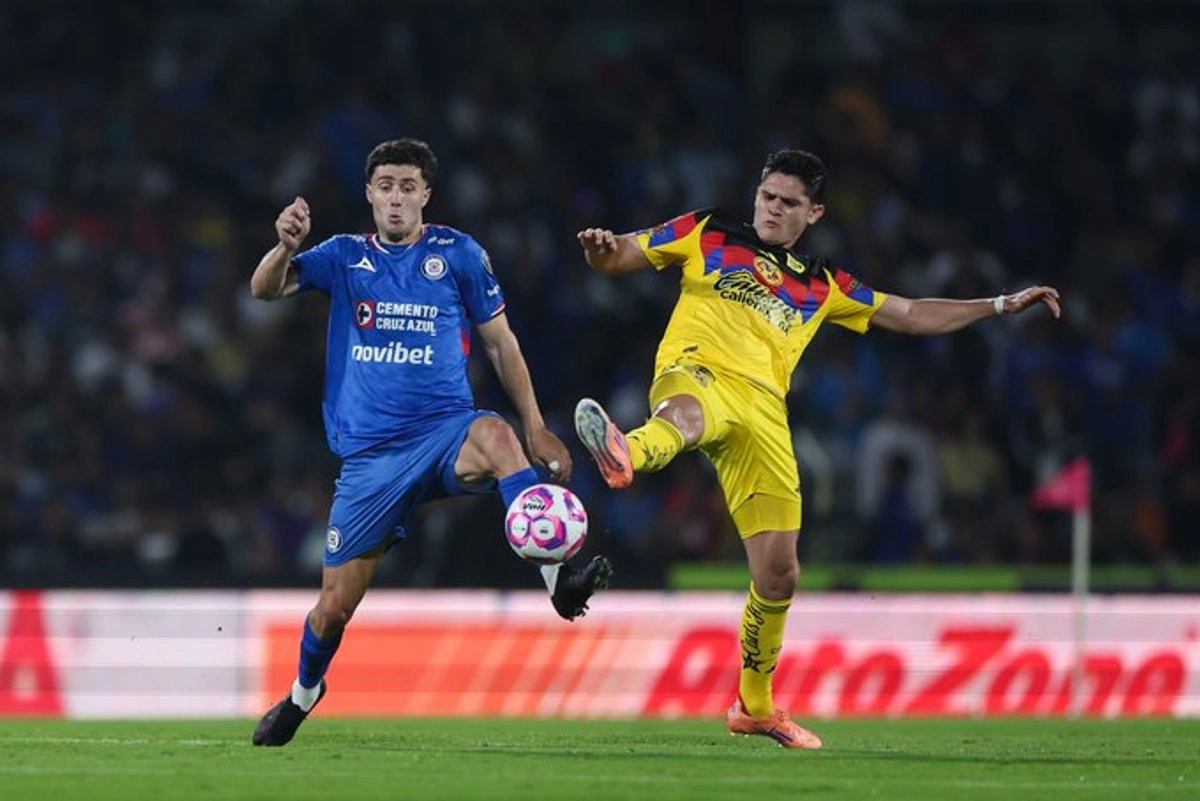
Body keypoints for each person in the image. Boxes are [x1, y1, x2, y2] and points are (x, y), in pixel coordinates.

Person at [573, 148, 1061, 749]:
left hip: (766, 416)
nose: (774, 209)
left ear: (815, 212)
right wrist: (602, 250)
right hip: (696, 371)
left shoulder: (822, 284)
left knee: (779, 576)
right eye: (768, 196)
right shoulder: (707, 231)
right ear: (756, 193)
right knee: (686, 414)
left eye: (789, 203)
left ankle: (754, 707)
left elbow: (908, 313)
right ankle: (628, 452)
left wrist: (1000, 305)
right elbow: (622, 252)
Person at [249, 138, 612, 746]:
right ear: (369, 193)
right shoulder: (342, 256)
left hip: (446, 432)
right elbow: (264, 289)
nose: (396, 197)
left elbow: (501, 343)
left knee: (495, 434)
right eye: (385, 185)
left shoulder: (459, 254)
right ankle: (303, 694)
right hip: (370, 460)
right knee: (333, 608)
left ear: (426, 195)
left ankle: (560, 582)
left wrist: (535, 425)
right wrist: (284, 247)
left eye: (407, 186)